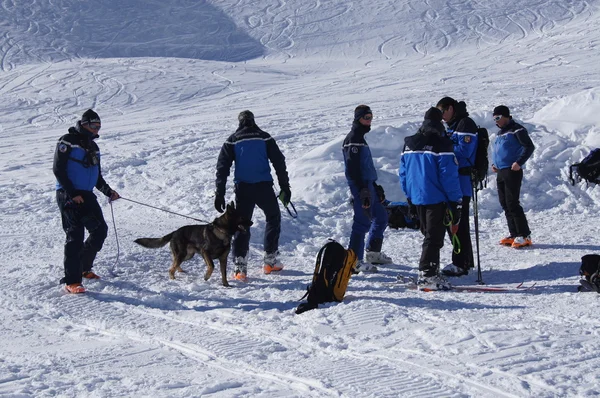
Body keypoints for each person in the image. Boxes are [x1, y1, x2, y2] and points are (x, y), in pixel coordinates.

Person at [215, 110, 291, 281]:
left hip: (243, 189)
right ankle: (270, 261)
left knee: (242, 225)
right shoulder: (264, 137)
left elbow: (222, 168)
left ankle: (240, 267)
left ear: (240, 122)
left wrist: (219, 193)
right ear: (253, 121)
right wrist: (285, 187)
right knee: (273, 217)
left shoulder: (232, 139)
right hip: (264, 187)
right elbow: (279, 162)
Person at [53, 109, 120, 294]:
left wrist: (108, 191)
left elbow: (96, 175)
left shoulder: (94, 147)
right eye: (93, 125)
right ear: (83, 124)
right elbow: (58, 169)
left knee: (100, 230)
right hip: (68, 194)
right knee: (75, 235)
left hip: (87, 194)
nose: (96, 129)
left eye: (99, 126)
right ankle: (72, 281)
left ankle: (83, 268)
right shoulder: (67, 141)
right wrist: (72, 193)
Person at [400, 107, 462, 290]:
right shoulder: (442, 144)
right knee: (434, 238)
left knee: (428, 235)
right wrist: (455, 202)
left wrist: (409, 196)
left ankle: (429, 270)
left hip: (417, 196)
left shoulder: (409, 144)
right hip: (436, 197)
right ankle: (428, 274)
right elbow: (448, 176)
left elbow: (403, 174)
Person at [342, 105, 391, 273]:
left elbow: (364, 166)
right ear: (358, 118)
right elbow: (353, 167)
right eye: (366, 117)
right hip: (360, 186)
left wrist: (374, 186)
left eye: (371, 117)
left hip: (368, 184)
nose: (369, 120)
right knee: (362, 222)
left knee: (381, 216)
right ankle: (354, 261)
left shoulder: (360, 137)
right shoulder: (354, 138)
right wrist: (362, 189)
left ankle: (373, 253)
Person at [436, 97, 477, 277]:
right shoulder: (453, 125)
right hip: (454, 181)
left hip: (462, 181)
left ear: (450, 108)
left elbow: (464, 153)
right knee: (455, 222)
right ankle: (465, 260)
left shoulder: (465, 124)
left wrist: (444, 151)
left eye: (442, 112)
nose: (442, 117)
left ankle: (460, 263)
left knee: (457, 222)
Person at [491, 105, 535, 248]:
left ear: (506, 116)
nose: (496, 121)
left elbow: (529, 146)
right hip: (501, 171)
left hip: (512, 170)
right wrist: (495, 164)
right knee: (505, 203)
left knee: (512, 203)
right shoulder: (500, 133)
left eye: (498, 118)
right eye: (494, 119)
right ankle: (514, 234)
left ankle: (524, 234)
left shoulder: (517, 129)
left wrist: (519, 162)